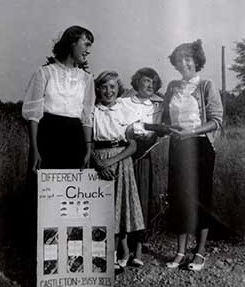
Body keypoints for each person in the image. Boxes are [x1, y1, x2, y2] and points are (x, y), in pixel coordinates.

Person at [153, 39, 223, 271]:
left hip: (200, 147)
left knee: (201, 198)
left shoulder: (206, 85)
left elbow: (216, 121)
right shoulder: (173, 87)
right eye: (180, 59)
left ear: (197, 61)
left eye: (188, 58)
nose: (184, 63)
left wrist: (191, 131)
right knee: (178, 199)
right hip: (177, 147)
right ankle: (181, 252)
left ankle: (200, 252)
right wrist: (164, 129)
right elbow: (164, 118)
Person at [22, 25, 95, 171]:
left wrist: (88, 151)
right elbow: (34, 116)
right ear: (72, 42)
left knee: (71, 188)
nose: (88, 51)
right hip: (48, 136)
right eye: (86, 44)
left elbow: (87, 117)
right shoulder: (44, 73)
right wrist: (35, 150)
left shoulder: (86, 79)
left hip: (75, 139)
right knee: (45, 189)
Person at [91, 71, 145, 269]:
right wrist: (99, 163)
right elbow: (88, 143)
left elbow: (132, 146)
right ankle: (108, 253)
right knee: (104, 209)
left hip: (121, 161)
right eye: (104, 87)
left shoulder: (124, 110)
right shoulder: (93, 111)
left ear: (118, 89)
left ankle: (122, 251)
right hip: (99, 161)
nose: (108, 91)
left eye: (112, 87)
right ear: (98, 89)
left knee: (120, 207)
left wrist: (112, 161)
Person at [120, 68, 163, 234]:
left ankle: (140, 238)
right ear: (137, 82)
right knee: (125, 194)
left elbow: (155, 132)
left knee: (143, 194)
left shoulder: (158, 105)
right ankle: (123, 239)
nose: (150, 85)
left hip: (145, 154)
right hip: (124, 153)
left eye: (153, 82)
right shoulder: (123, 102)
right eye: (146, 80)